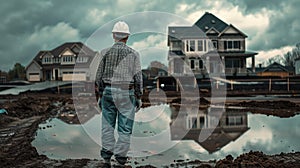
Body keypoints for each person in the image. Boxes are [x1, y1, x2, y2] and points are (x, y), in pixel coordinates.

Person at [95, 21, 143, 167]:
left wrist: (102, 94)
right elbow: (138, 77)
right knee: (125, 128)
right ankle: (121, 160)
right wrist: (139, 96)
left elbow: (98, 77)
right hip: (126, 92)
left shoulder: (104, 52)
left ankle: (106, 159)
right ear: (127, 37)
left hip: (108, 92)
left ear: (114, 35)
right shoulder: (134, 54)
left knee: (107, 126)